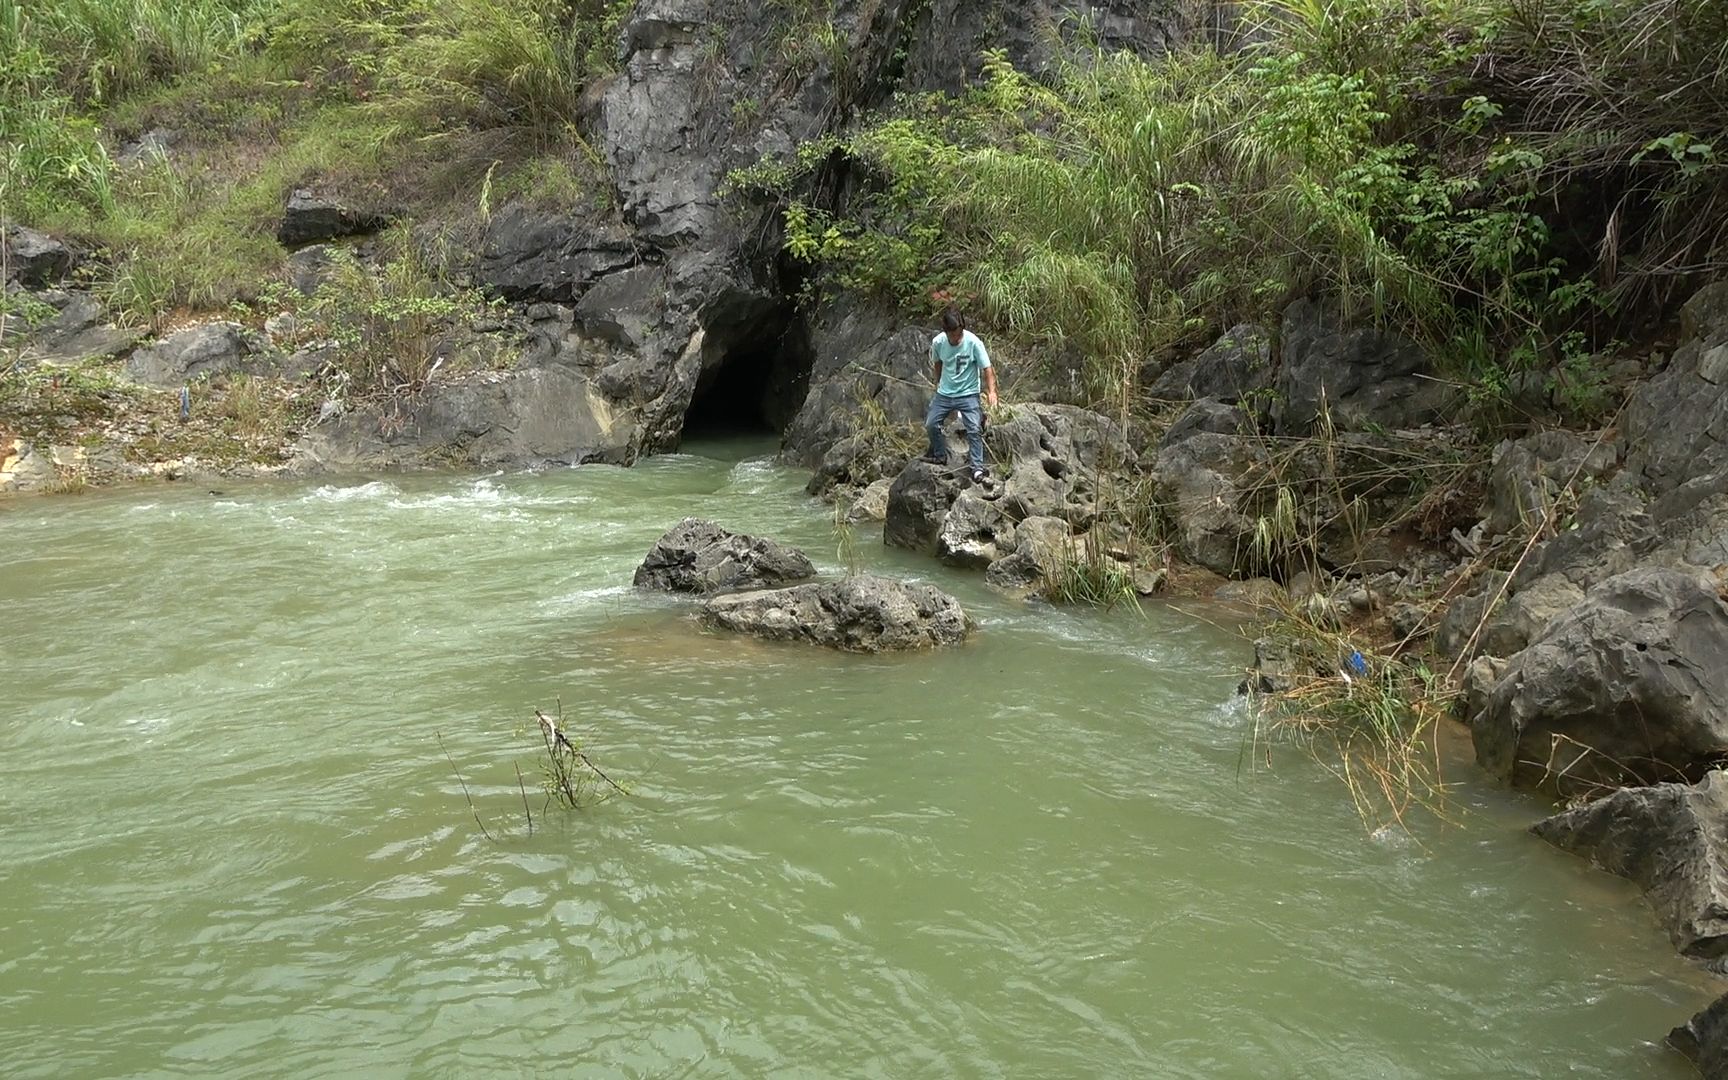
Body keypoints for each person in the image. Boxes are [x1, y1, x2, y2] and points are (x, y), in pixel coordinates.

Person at [922, 308, 998, 482]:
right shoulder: (938, 342)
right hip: (945, 393)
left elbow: (987, 368)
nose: (956, 338)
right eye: (953, 336)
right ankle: (940, 455)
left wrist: (991, 392)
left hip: (968, 393)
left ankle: (977, 468)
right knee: (931, 424)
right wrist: (938, 382)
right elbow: (938, 363)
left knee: (973, 428)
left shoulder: (973, 343)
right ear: (946, 332)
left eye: (959, 334)